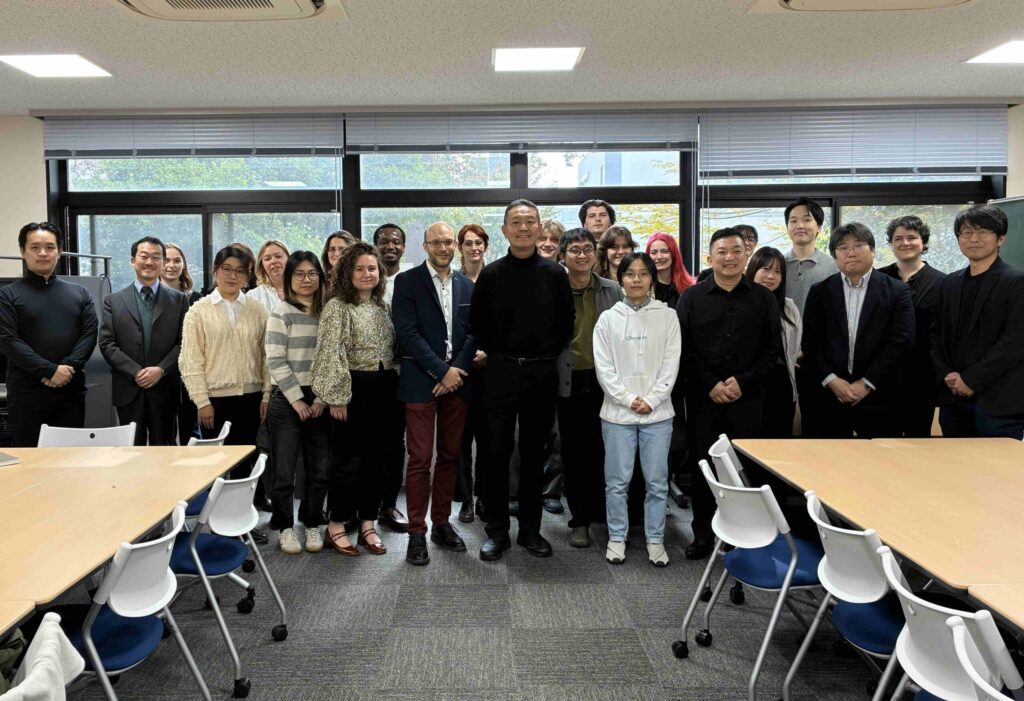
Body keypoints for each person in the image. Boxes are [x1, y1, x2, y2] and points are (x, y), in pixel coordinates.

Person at [470, 199, 573, 561]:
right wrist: (500, 355)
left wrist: (540, 356)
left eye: (530, 221)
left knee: (533, 455)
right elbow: (478, 323)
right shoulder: (492, 274)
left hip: (541, 373)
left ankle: (531, 530)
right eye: (516, 222)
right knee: (495, 454)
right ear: (505, 230)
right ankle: (497, 532)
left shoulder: (555, 274)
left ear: (540, 228)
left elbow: (566, 324)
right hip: (499, 372)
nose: (524, 227)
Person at [677, 227, 782, 560]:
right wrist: (710, 383)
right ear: (710, 257)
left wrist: (742, 381)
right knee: (704, 467)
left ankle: (741, 536)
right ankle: (703, 535)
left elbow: (772, 350)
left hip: (747, 399)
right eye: (722, 252)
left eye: (736, 251)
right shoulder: (691, 298)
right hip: (703, 398)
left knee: (743, 470)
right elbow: (683, 348)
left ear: (746, 255)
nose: (729, 258)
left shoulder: (763, 298)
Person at [392, 222, 477, 565]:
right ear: (425, 246)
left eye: (447, 242)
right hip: (420, 381)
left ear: (455, 245)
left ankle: (441, 523)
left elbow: (475, 332)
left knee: (450, 456)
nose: (443, 248)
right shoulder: (407, 282)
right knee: (420, 458)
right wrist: (442, 371)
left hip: (457, 383)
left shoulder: (467, 285)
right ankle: (417, 531)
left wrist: (456, 371)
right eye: (436, 242)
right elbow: (407, 333)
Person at [594, 252, 681, 567]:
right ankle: (617, 537)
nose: (636, 280)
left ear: (651, 278)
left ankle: (655, 539)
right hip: (617, 415)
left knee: (657, 482)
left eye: (643, 273)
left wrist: (653, 399)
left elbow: (671, 363)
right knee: (617, 482)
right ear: (621, 279)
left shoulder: (667, 316)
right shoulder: (608, 319)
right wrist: (629, 399)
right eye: (630, 274)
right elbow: (604, 369)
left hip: (658, 415)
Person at [311, 242, 398, 556]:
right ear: (347, 272)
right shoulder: (337, 306)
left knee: (377, 461)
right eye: (359, 268)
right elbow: (330, 352)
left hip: (384, 388)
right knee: (348, 463)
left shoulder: (381, 306)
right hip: (351, 389)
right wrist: (336, 397)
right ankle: (336, 524)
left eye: (372, 268)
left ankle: (368, 523)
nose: (366, 274)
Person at [179, 245, 270, 543]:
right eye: (227, 269)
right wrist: (201, 401)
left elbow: (267, 356)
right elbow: (190, 360)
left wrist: (266, 395)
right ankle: (217, 524)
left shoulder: (257, 309)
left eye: (240, 271)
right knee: (218, 466)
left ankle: (240, 522)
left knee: (245, 465)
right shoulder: (199, 310)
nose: (233, 276)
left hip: (251, 397)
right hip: (214, 402)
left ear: (248, 275)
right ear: (215, 271)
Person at [801, 222, 914, 439]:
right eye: (843, 248)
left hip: (880, 396)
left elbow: (902, 341)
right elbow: (811, 343)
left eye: (858, 245)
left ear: (873, 250)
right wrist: (832, 380)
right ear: (835, 255)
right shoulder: (820, 291)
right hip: (828, 397)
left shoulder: (897, 290)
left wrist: (867, 382)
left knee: (879, 458)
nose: (851, 253)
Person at [0, 222, 98, 447]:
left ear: (60, 251)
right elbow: (8, 340)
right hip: (27, 394)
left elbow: (90, 333)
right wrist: (50, 370)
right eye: (35, 247)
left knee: (70, 458)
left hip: (71, 391)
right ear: (23, 251)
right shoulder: (7, 295)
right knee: (31, 460)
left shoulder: (80, 292)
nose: (43, 253)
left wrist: (68, 367)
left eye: (50, 247)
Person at [931, 204, 1024, 438]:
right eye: (966, 232)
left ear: (1000, 238)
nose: (974, 239)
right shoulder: (948, 283)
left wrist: (971, 380)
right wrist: (948, 375)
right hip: (953, 400)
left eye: (983, 231)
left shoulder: (1016, 282)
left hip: (999, 403)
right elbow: (936, 336)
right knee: (953, 461)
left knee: (997, 463)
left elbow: (1014, 342)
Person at [556, 228, 622, 549]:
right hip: (567, 381)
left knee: (604, 450)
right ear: (562, 255)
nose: (582, 255)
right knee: (574, 452)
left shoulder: (612, 290)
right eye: (575, 250)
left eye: (587, 249)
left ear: (596, 254)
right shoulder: (554, 290)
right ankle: (579, 520)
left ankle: (602, 514)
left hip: (605, 382)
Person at [265, 251, 331, 555]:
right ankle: (285, 527)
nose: (307, 280)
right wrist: (298, 400)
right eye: (299, 274)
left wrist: (320, 399)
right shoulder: (281, 312)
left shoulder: (327, 313)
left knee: (320, 469)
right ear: (289, 278)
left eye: (312, 273)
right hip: (286, 399)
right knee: (284, 470)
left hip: (319, 398)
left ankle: (313, 521)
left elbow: (331, 359)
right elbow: (275, 361)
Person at [99, 236, 190, 446]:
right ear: (133, 260)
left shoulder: (179, 300)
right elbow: (107, 343)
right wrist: (135, 372)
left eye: (156, 257)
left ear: (163, 262)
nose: (149, 262)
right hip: (129, 388)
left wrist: (161, 369)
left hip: (164, 388)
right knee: (131, 450)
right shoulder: (113, 301)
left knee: (164, 449)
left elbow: (185, 342)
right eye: (144, 256)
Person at [877, 215, 947, 437]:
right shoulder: (878, 279)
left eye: (912, 237)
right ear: (891, 244)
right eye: (898, 238)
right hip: (881, 375)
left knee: (918, 439)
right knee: (881, 439)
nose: (905, 243)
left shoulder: (943, 282)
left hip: (923, 376)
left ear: (923, 242)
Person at [372, 222, 410, 533]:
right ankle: (364, 506)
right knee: (367, 443)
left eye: (395, 241)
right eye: (383, 241)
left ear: (403, 247)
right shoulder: (366, 280)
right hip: (367, 375)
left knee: (395, 444)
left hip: (400, 374)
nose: (390, 246)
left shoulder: (410, 281)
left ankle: (388, 504)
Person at [745, 247, 802, 438]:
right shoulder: (740, 304)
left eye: (778, 271)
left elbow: (795, 345)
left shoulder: (789, 307)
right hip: (748, 384)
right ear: (753, 269)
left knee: (778, 442)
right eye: (766, 269)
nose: (771, 276)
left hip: (781, 384)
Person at [454, 223, 490, 522]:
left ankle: (484, 498)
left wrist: (488, 351)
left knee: (489, 440)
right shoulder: (453, 281)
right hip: (460, 372)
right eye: (468, 243)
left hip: (491, 371)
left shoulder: (496, 278)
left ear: (485, 246)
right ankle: (465, 498)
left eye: (479, 242)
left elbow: (505, 323)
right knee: (461, 441)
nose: (474, 247)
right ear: (460, 247)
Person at [162, 242, 204, 444]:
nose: (171, 265)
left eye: (177, 260)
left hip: (191, 373)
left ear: (184, 264)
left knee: (191, 430)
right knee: (164, 432)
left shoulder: (196, 298)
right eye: (167, 260)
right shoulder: (151, 297)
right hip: (162, 373)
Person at [784, 198, 837, 315]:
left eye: (807, 220)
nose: (800, 226)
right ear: (787, 227)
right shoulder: (777, 265)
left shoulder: (834, 266)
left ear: (819, 227)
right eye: (793, 221)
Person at [646, 232, 695, 309]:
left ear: (674, 254)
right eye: (654, 252)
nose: (659, 257)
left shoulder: (689, 288)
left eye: (665, 251)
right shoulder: (643, 288)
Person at [246, 240, 291, 313]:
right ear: (262, 265)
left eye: (278, 256)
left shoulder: (304, 290)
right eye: (267, 259)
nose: (274, 261)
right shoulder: (253, 296)